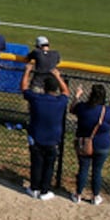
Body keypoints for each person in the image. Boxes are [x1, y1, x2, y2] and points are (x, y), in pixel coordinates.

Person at [20, 49, 70, 200]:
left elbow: (24, 88)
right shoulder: (60, 101)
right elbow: (66, 92)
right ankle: (44, 190)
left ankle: (34, 188)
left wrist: (27, 72)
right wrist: (58, 76)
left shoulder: (37, 99)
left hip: (37, 137)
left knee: (36, 164)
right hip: (52, 139)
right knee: (49, 166)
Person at [70, 84, 110, 205]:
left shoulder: (82, 107)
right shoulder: (106, 111)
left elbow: (72, 109)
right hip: (102, 145)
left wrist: (76, 96)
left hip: (85, 143)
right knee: (97, 171)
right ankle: (95, 196)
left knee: (83, 169)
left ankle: (78, 194)